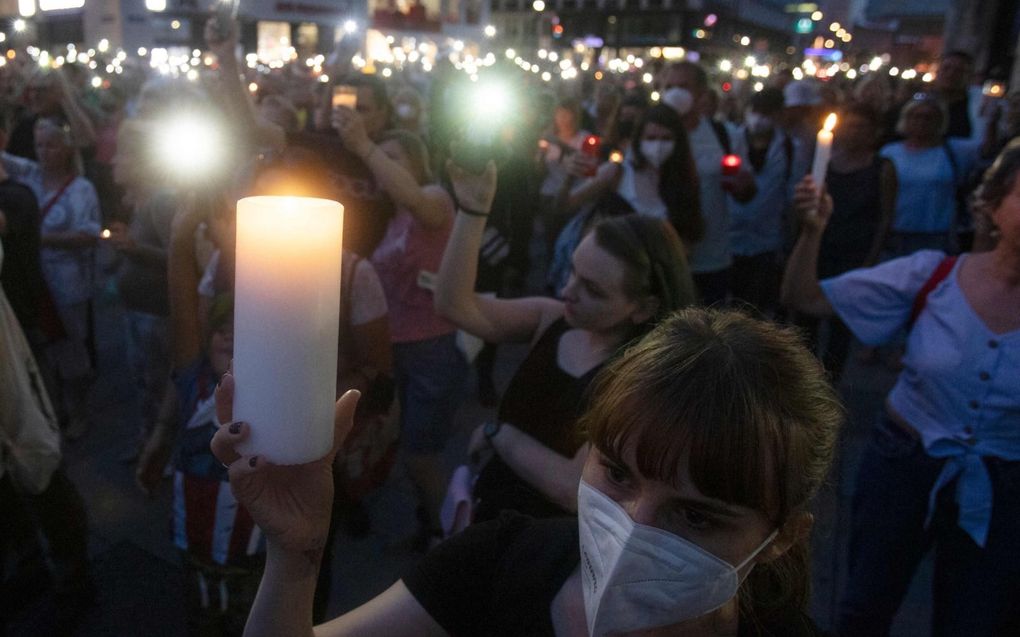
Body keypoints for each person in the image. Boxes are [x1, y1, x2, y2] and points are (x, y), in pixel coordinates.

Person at [210, 306, 843, 636]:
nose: (633, 529)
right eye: (618, 475)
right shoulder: (496, 564)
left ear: (782, 535)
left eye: (697, 515)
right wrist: (295, 556)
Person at [780, 140, 1020, 635]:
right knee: (865, 607)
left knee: (974, 619)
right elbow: (803, 297)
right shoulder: (933, 275)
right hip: (901, 468)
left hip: (1005, 487)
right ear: (993, 204)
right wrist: (813, 231)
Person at [435, 158, 697, 522]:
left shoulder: (640, 382)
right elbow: (454, 304)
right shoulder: (553, 319)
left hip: (545, 546)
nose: (567, 290)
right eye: (573, 271)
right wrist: (473, 210)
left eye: (592, 289)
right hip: (492, 513)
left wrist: (499, 434)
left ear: (643, 307)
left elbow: (571, 487)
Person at [332, 106, 467, 548]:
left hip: (430, 347)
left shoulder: (435, 200)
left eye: (393, 157)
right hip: (396, 350)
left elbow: (417, 202)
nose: (381, 164)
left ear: (414, 164)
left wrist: (366, 146)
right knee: (397, 445)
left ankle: (449, 538)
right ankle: (429, 520)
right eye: (379, 156)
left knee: (422, 455)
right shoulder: (390, 222)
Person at [2, 116, 101, 440]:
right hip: (34, 280)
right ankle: (53, 411)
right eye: (39, 145)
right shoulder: (29, 176)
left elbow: (89, 234)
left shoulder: (81, 189)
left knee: (71, 348)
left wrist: (38, 238)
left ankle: (79, 413)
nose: (44, 152)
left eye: (51, 145)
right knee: (44, 348)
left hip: (68, 283)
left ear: (66, 147)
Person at [660, 61, 757, 304]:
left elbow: (746, 191)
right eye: (669, 86)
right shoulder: (651, 134)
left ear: (701, 93)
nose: (674, 93)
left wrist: (742, 186)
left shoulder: (725, 135)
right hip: (661, 257)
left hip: (711, 258)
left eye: (683, 86)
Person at [873, 93, 982, 256]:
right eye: (916, 117)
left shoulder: (956, 151)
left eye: (928, 117)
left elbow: (987, 150)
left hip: (936, 236)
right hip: (894, 235)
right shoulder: (889, 152)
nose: (921, 122)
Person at [728, 88, 795, 317]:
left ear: (777, 115)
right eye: (755, 111)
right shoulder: (730, 140)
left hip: (767, 239)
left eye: (766, 112)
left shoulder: (789, 147)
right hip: (729, 236)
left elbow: (790, 193)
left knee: (755, 306)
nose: (759, 117)